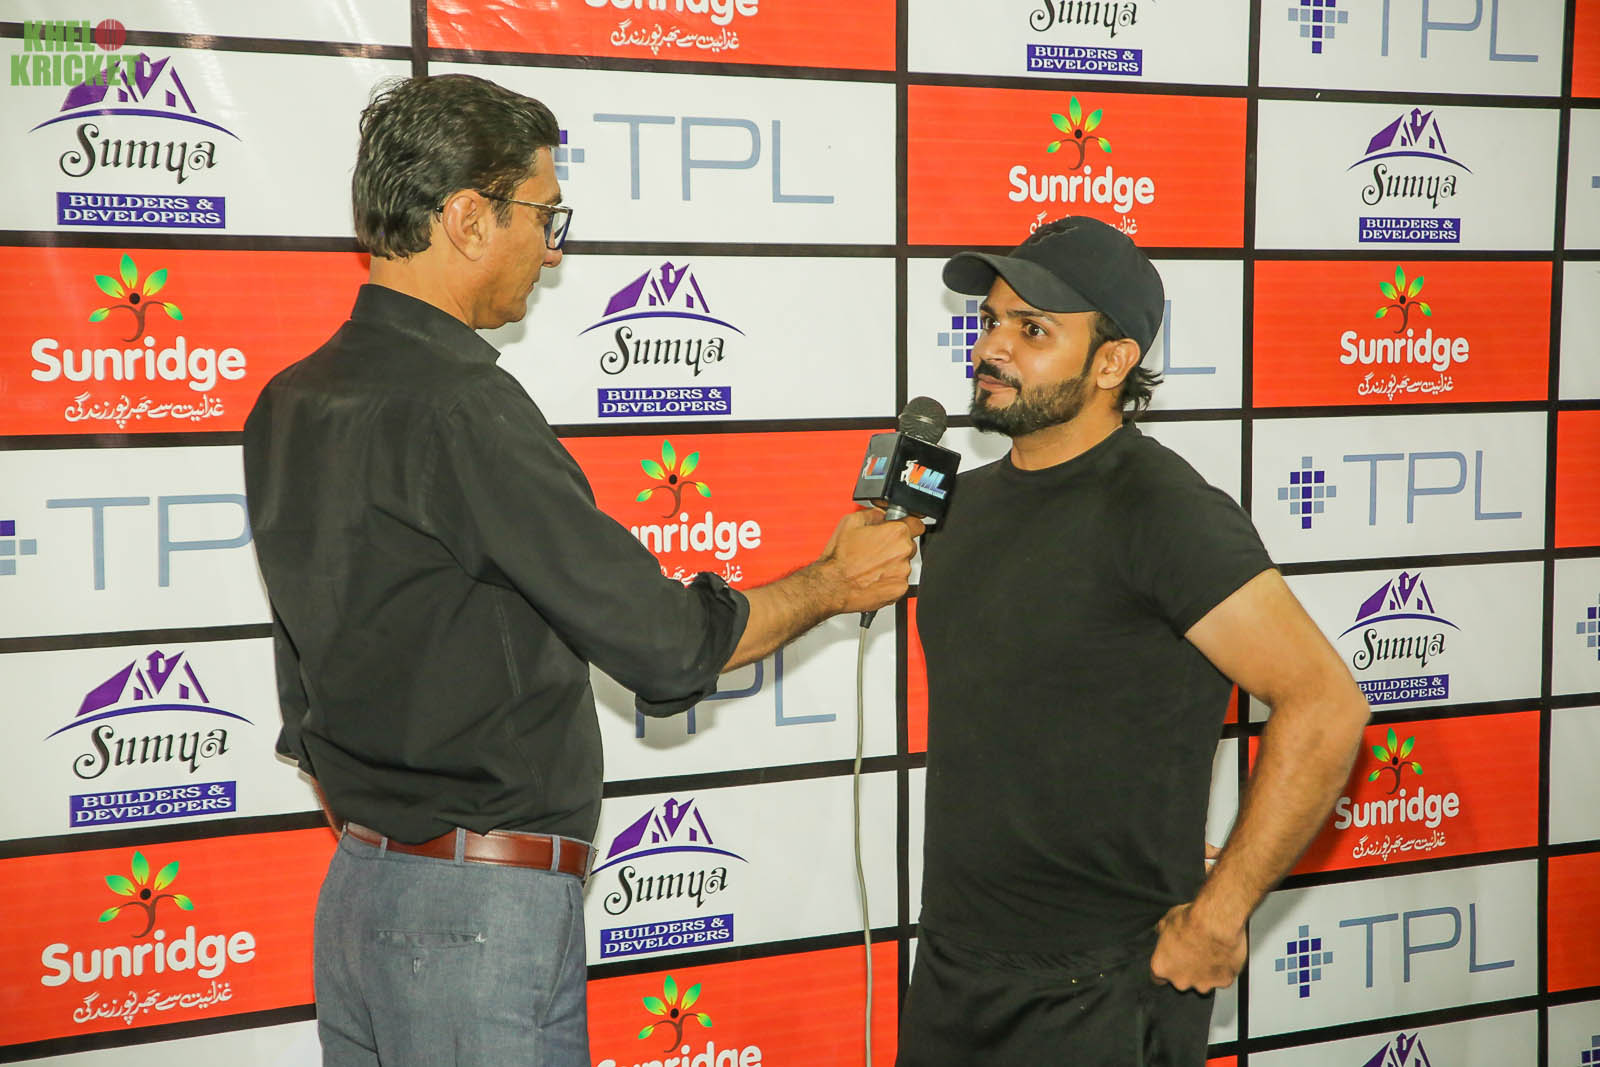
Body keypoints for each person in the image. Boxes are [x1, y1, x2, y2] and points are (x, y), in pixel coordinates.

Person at [241, 74, 922, 1067]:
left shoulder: (290, 400)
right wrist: (833, 582)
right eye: (544, 213)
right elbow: (665, 646)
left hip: (358, 896)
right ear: (469, 218)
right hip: (475, 915)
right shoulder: (462, 409)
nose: (552, 248)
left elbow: (303, 690)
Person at [898, 216, 1370, 1065]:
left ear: (1112, 362)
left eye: (1032, 329)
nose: (993, 346)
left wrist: (1219, 916)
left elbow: (1326, 704)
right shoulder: (959, 506)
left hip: (1103, 989)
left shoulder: (1163, 509)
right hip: (952, 973)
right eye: (991, 320)